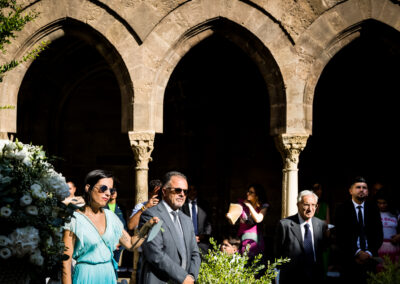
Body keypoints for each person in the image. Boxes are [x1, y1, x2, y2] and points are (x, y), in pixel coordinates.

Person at [62, 169, 159, 284]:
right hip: (86, 275)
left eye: (111, 190)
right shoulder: (74, 219)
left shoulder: (111, 217)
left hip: (108, 274)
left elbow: (131, 244)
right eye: (103, 188)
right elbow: (65, 262)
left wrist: (147, 227)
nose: (108, 193)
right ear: (88, 188)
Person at [138, 171, 201, 284]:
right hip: (160, 280)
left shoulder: (187, 220)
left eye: (185, 191)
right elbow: (154, 253)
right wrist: (182, 277)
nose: (182, 194)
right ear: (164, 191)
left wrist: (191, 276)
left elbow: (195, 253)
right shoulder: (151, 215)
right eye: (178, 190)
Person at [334, 176, 383, 283]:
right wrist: (357, 253)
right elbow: (339, 236)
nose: (361, 190)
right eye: (358, 187)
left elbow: (379, 235)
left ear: (368, 192)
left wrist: (369, 253)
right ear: (350, 191)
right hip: (349, 260)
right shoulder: (341, 209)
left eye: (364, 188)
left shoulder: (373, 209)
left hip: (370, 260)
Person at [274, 190, 328, 284]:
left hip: (315, 276)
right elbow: (277, 253)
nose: (310, 209)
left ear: (316, 206)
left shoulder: (321, 225)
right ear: (298, 205)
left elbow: (322, 250)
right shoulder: (285, 225)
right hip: (292, 278)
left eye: (313, 205)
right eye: (306, 204)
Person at [226, 184, 268, 258]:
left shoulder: (263, 206)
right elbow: (232, 222)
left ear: (257, 195)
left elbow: (258, 219)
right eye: (248, 191)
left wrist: (249, 206)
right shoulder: (241, 204)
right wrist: (229, 217)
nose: (247, 193)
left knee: (254, 263)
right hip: (242, 238)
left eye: (251, 192)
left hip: (254, 240)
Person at [181, 184, 212, 254]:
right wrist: (190, 237)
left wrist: (203, 236)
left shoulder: (204, 204)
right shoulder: (182, 205)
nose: (192, 192)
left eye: (194, 190)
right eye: (189, 190)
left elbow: (209, 222)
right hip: (186, 242)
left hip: (203, 242)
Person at [375, 191, 400, 271]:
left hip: (393, 248)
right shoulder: (373, 214)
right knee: (378, 272)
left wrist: (399, 236)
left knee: (392, 271)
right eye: (379, 203)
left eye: (384, 203)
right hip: (377, 248)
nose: (382, 205)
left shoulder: (396, 214)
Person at [105, 183, 128, 266]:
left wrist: (120, 242)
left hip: (119, 243)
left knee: (115, 266)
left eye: (114, 191)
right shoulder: (103, 207)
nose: (113, 193)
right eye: (111, 191)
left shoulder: (121, 207)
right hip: (106, 244)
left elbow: (124, 225)